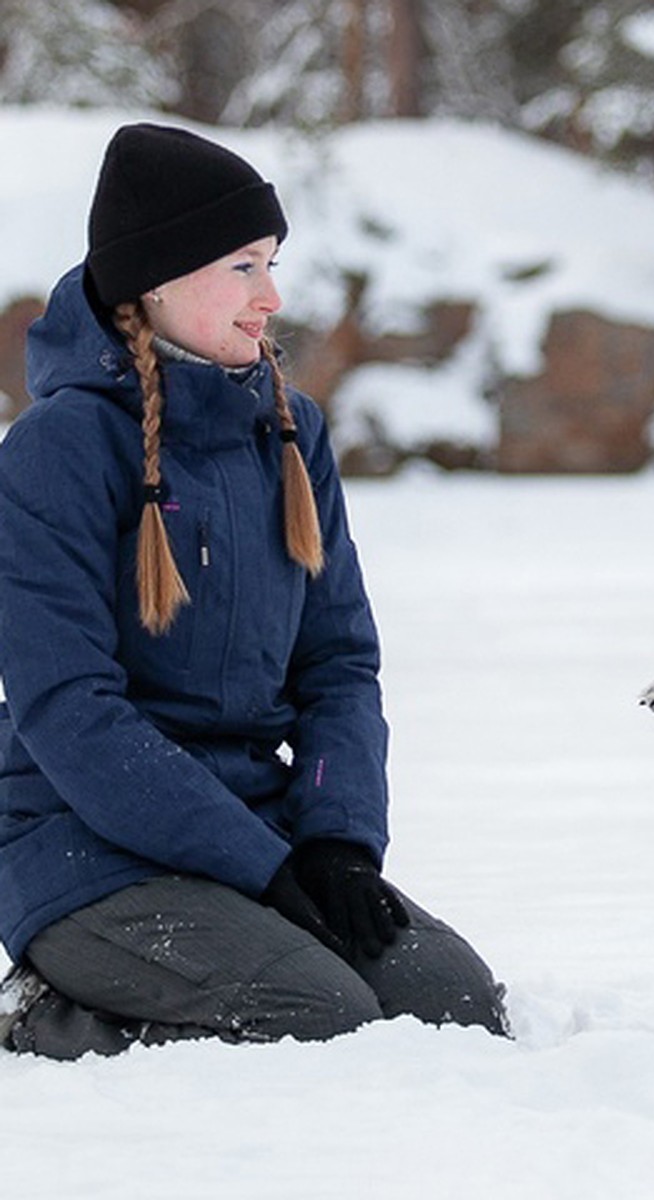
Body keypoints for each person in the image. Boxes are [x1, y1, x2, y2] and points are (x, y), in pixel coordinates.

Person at [0, 123, 507, 1058]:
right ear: (157, 277)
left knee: (455, 1005)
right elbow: (68, 709)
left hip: (256, 822)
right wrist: (265, 871)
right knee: (314, 1015)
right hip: (78, 842)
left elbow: (339, 665)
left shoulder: (288, 431)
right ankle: (47, 1012)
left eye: (271, 263)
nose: (271, 297)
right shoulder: (58, 450)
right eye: (243, 266)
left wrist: (336, 843)